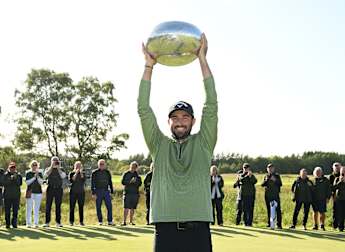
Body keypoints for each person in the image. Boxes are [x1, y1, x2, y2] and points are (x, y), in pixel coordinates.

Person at [139, 33, 217, 252]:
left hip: (199, 231)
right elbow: (143, 110)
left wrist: (202, 59)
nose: (180, 122)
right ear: (169, 121)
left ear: (193, 120)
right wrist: (148, 67)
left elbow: (212, 105)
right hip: (165, 231)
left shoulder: (204, 143)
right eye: (175, 117)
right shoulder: (159, 145)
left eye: (184, 117)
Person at [43, 156, 66, 228]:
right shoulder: (48, 169)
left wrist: (58, 168)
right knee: (48, 206)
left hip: (58, 189)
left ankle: (58, 222)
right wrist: (51, 166)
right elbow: (45, 175)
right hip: (50, 189)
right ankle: (47, 222)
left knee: (58, 206)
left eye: (56, 161)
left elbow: (63, 176)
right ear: (51, 161)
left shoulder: (61, 169)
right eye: (54, 161)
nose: (55, 162)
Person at [91, 159, 114, 226]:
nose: (102, 165)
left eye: (103, 164)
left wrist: (112, 192)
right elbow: (92, 183)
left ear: (105, 165)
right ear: (98, 165)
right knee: (98, 207)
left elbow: (110, 182)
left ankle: (110, 221)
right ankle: (100, 221)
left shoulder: (107, 172)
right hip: (98, 191)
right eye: (100, 164)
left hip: (106, 191)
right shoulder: (94, 172)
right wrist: (93, 193)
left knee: (109, 206)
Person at [261, 163, 283, 229]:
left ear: (274, 169)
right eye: (269, 168)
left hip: (275, 195)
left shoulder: (277, 176)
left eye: (271, 168)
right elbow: (262, 185)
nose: (270, 169)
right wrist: (266, 180)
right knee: (269, 209)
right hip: (268, 195)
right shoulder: (266, 176)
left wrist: (275, 180)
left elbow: (280, 184)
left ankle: (279, 224)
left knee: (278, 209)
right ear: (267, 169)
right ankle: (270, 223)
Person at [121, 161, 142, 226]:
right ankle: (124, 221)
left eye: (134, 167)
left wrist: (135, 182)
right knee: (126, 207)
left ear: (136, 168)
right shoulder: (126, 174)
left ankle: (131, 221)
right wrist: (130, 182)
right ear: (130, 166)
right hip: (127, 193)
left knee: (132, 208)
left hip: (135, 193)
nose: (133, 168)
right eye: (132, 167)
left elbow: (140, 184)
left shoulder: (137, 176)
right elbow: (123, 182)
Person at [3, 161, 22, 228]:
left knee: (15, 211)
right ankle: (7, 224)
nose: (12, 169)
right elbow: (4, 184)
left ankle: (14, 224)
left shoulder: (18, 175)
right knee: (7, 211)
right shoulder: (5, 175)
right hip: (7, 196)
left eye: (14, 167)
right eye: (11, 167)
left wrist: (15, 178)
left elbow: (19, 183)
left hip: (16, 196)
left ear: (15, 168)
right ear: (9, 168)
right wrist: (10, 179)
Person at [25, 160, 44, 228]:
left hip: (38, 192)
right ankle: (28, 223)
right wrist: (34, 177)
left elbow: (41, 182)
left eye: (36, 165)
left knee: (36, 208)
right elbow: (27, 183)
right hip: (30, 192)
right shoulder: (28, 173)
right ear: (31, 166)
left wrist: (37, 176)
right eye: (33, 165)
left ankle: (36, 223)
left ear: (37, 166)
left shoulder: (40, 173)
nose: (34, 166)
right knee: (29, 208)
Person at [69, 161, 86, 226]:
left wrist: (81, 172)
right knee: (72, 207)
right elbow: (72, 180)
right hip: (73, 192)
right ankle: (71, 221)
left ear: (81, 166)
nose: (78, 167)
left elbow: (83, 179)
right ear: (74, 166)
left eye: (79, 166)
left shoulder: (83, 173)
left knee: (81, 207)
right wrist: (76, 173)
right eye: (77, 166)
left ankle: (81, 221)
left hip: (81, 192)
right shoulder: (71, 173)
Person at [329, 162, 341, 229]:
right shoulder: (331, 176)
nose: (337, 169)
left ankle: (341, 225)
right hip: (334, 196)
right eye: (335, 168)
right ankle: (335, 225)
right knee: (335, 211)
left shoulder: (343, 175)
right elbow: (330, 187)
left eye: (338, 168)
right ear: (333, 168)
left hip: (342, 195)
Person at [333, 166, 345, 232]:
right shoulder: (337, 179)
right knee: (340, 214)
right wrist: (340, 182)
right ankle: (341, 227)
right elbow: (333, 188)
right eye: (342, 171)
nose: (343, 173)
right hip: (339, 199)